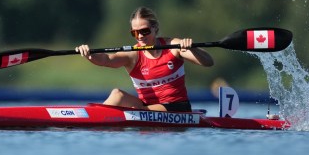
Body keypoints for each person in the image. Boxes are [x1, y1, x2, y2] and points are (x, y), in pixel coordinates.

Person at [76, 7, 214, 112]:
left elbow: (208, 62)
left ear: (155, 29)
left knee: (129, 108)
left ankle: (90, 120)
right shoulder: (132, 55)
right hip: (148, 110)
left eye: (144, 31)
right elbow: (107, 59)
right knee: (117, 94)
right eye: (135, 33)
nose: (140, 36)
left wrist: (192, 48)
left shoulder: (174, 46)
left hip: (177, 109)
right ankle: (92, 118)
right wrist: (90, 55)